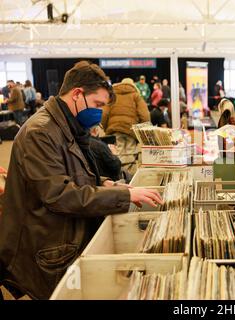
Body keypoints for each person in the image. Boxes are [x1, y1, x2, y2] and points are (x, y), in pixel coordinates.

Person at [0, 61, 163, 299]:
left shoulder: (65, 124)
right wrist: (124, 195)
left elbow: (70, 172)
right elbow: (59, 194)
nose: (99, 113)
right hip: (49, 246)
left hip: (62, 235)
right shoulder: (40, 132)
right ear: (77, 94)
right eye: (97, 104)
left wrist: (104, 183)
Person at [101, 78, 150, 176]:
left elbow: (104, 114)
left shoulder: (112, 96)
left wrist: (106, 129)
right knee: (130, 156)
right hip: (131, 131)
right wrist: (143, 132)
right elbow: (145, 115)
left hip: (115, 131)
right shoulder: (136, 96)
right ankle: (129, 179)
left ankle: (120, 177)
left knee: (117, 155)